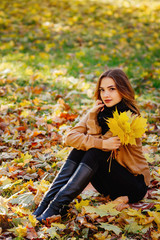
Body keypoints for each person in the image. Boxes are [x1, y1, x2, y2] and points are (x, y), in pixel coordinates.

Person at [34, 68, 150, 223]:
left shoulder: (129, 118)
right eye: (102, 90)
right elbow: (69, 137)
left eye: (112, 89)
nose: (106, 95)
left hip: (133, 185)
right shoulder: (98, 111)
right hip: (107, 181)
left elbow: (101, 146)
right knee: (79, 149)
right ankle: (45, 205)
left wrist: (92, 123)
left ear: (122, 90)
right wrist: (92, 115)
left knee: (94, 151)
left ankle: (56, 207)